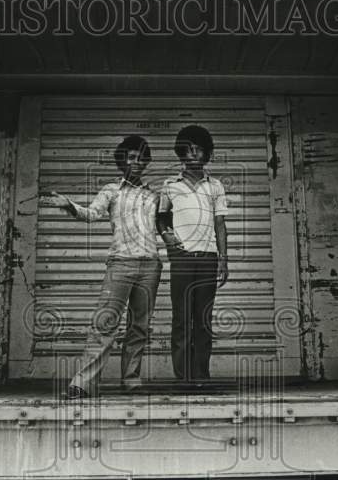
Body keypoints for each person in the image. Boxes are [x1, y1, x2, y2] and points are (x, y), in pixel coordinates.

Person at [47, 135, 161, 399]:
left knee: (140, 326)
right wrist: (70, 206)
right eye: (132, 157)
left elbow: (165, 226)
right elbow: (92, 214)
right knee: (105, 322)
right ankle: (82, 383)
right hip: (120, 263)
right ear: (122, 161)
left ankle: (131, 381)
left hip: (151, 266)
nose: (137, 162)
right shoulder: (111, 191)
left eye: (142, 158)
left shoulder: (155, 195)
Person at [156, 125, 229, 385]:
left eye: (198, 150)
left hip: (208, 257)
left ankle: (201, 375)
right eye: (187, 150)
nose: (193, 154)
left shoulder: (216, 186)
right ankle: (182, 376)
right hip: (182, 259)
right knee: (181, 319)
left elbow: (220, 224)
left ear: (207, 153)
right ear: (181, 154)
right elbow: (161, 219)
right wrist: (169, 239)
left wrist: (223, 258)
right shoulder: (170, 185)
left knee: (203, 319)